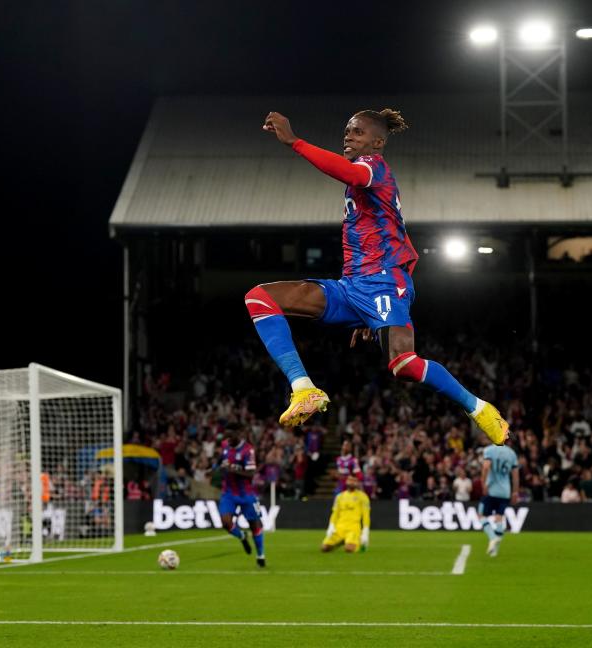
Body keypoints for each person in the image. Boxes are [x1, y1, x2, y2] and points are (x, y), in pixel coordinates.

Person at [251, 109, 509, 446]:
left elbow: (350, 175)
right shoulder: (362, 179)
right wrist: (365, 313)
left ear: (376, 143)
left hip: (383, 282)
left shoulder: (374, 169)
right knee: (260, 298)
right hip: (351, 287)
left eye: (356, 132)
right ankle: (303, 389)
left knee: (404, 365)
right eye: (347, 131)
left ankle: (479, 408)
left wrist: (294, 141)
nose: (348, 137)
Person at [217, 423, 266, 567]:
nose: (228, 439)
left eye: (230, 436)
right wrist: (213, 468)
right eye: (226, 436)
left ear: (239, 434)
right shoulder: (225, 445)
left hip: (246, 494)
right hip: (228, 493)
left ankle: (260, 555)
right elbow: (222, 459)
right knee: (226, 523)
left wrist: (232, 469)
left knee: (254, 524)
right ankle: (242, 536)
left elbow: (251, 473)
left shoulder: (248, 450)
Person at [479, 437, 519, 557]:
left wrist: (483, 483)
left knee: (481, 514)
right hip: (506, 491)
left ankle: (492, 537)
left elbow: (486, 467)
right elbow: (516, 476)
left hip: (492, 490)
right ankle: (494, 551)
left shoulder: (489, 450)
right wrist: (515, 492)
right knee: (499, 517)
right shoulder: (512, 453)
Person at [321, 475, 370, 553]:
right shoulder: (340, 497)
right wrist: (331, 526)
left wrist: (365, 530)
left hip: (353, 528)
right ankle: (342, 541)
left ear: (357, 483)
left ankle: (357, 543)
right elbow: (335, 513)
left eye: (354, 481)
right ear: (346, 481)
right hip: (339, 528)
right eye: (350, 480)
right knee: (324, 548)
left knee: (349, 549)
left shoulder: (363, 497)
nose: (352, 482)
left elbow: (366, 515)